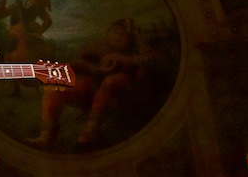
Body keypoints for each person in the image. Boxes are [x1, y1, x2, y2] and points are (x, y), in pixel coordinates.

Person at [25, 17, 160, 149]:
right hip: (92, 93)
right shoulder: (100, 47)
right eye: (115, 32)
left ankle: (89, 134)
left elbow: (154, 60)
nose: (118, 36)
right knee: (54, 89)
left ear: (131, 37)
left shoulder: (139, 49)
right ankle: (47, 136)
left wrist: (122, 59)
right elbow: (77, 63)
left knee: (112, 81)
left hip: (122, 96)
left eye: (123, 34)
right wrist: (95, 69)